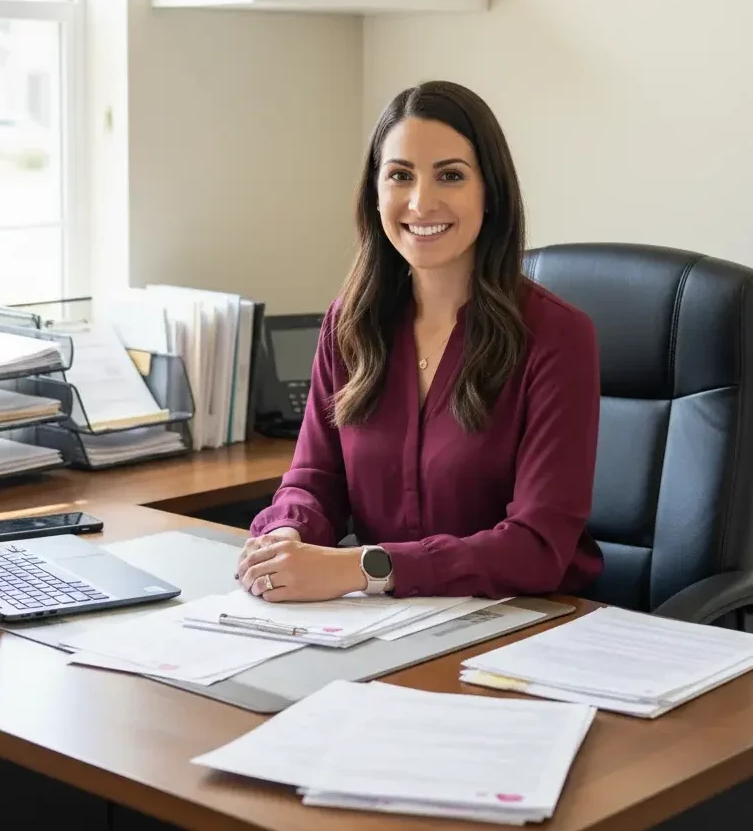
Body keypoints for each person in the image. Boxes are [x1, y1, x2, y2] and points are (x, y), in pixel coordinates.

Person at [236, 80, 604, 603]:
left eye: (450, 176)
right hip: (390, 625)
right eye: (400, 176)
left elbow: (538, 547)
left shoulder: (556, 336)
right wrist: (285, 537)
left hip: (527, 625)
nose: (421, 202)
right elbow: (315, 478)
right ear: (375, 192)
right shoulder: (351, 323)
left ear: (490, 190)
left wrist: (364, 569)